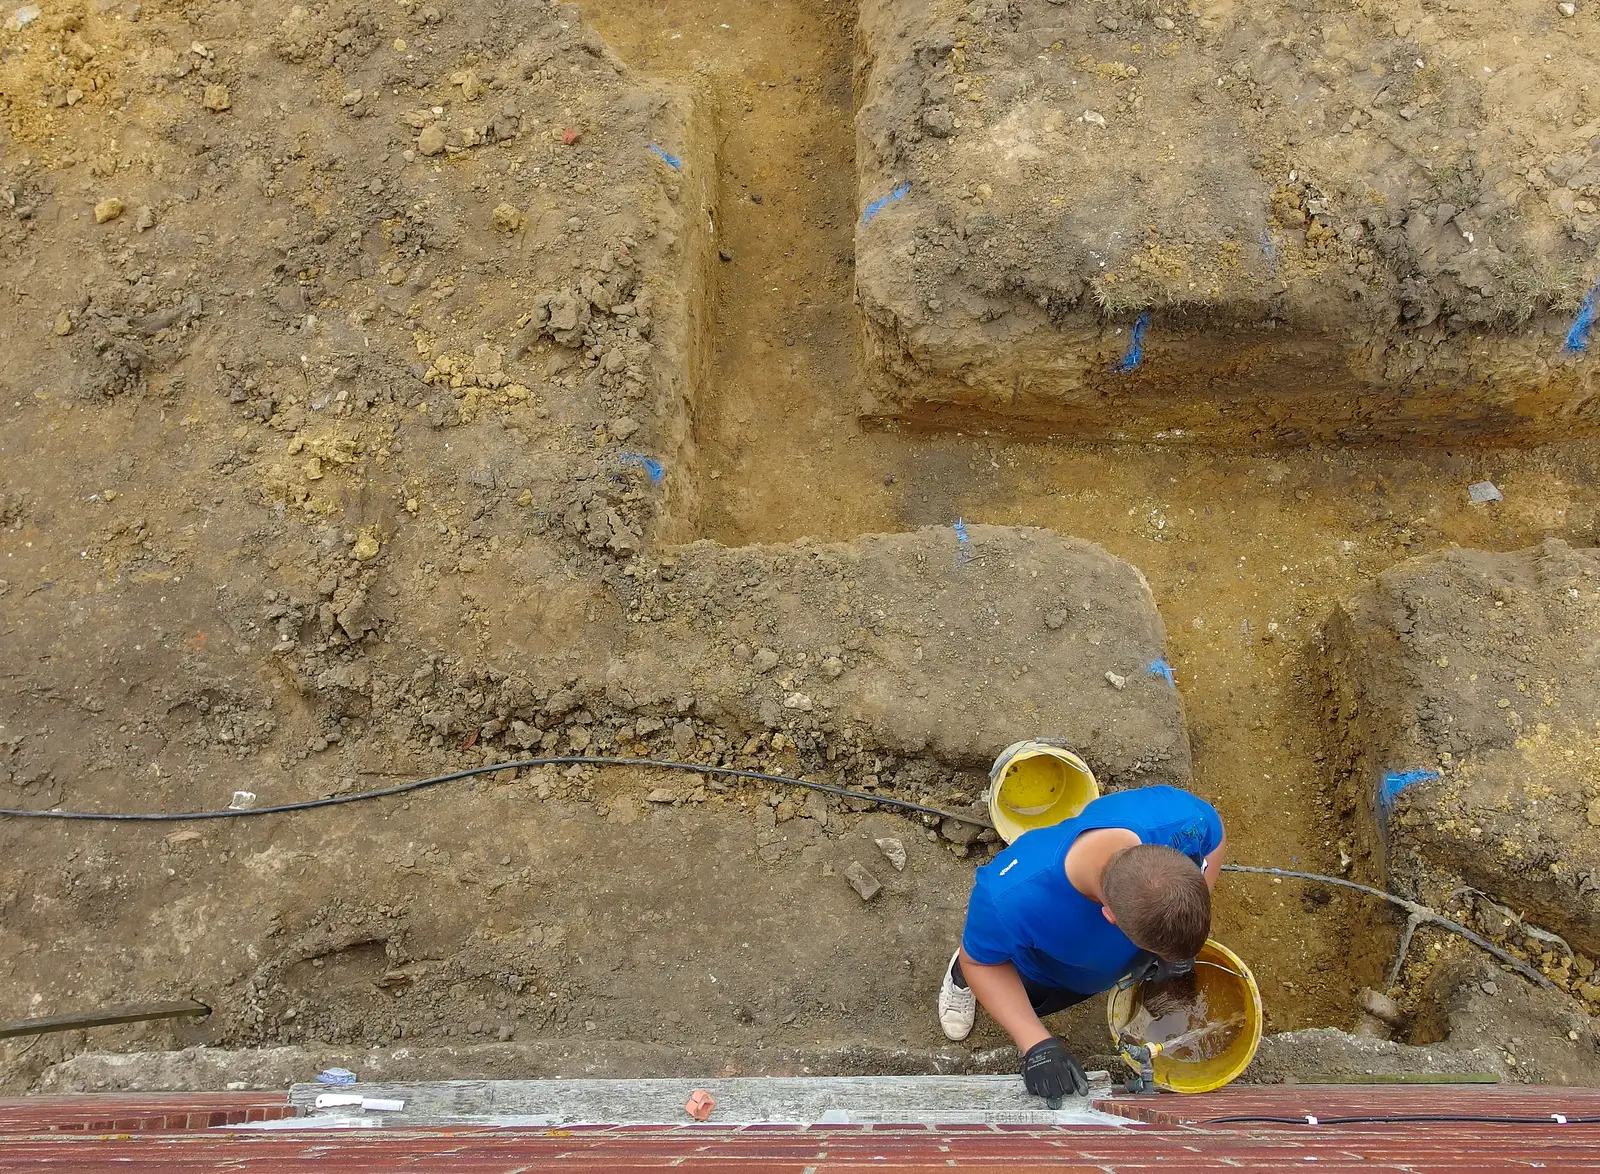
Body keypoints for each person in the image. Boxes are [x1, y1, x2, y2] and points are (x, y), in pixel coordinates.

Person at [937, 784, 1225, 1101]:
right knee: (994, 966)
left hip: (1093, 974)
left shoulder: (1180, 820)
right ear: (1110, 917)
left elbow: (1215, 838)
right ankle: (961, 976)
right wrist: (1035, 1044)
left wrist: (1174, 946)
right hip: (1042, 971)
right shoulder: (1010, 900)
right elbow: (981, 964)